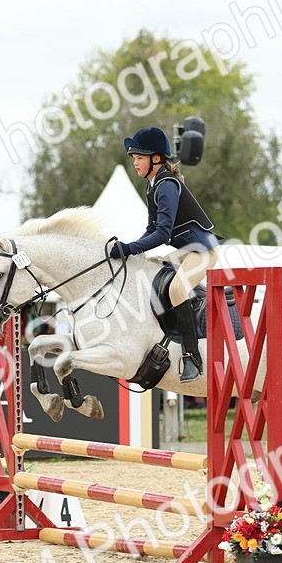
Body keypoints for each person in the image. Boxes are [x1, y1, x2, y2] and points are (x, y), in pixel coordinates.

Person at [107, 127, 220, 381]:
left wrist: (128, 248)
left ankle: (192, 357)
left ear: (156, 159)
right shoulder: (152, 185)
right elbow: (150, 229)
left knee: (177, 290)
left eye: (139, 157)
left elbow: (161, 234)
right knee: (149, 270)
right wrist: (132, 251)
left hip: (202, 250)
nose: (134, 162)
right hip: (184, 249)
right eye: (134, 158)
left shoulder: (166, 184)